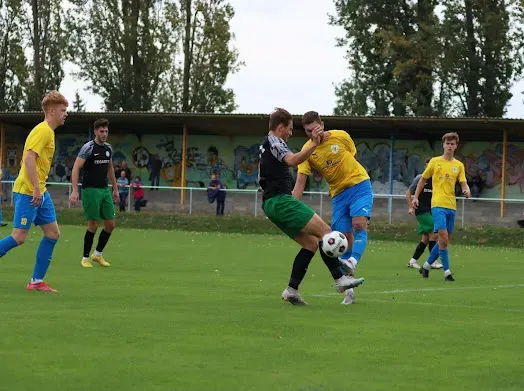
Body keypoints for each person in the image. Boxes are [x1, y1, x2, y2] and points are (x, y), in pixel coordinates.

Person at [259, 108, 364, 306]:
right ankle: (340, 280)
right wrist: (314, 145)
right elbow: (292, 160)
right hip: (281, 201)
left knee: (311, 244)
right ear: (280, 127)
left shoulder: (266, 144)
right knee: (326, 232)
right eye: (289, 129)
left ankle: (291, 290)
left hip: (271, 204)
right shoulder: (275, 142)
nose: (291, 133)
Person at [292, 111, 373, 305]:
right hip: (338, 195)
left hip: (359, 185)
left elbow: (352, 157)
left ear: (322, 124)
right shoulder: (307, 151)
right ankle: (349, 290)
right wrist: (289, 207)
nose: (313, 133)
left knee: (359, 224)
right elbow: (301, 182)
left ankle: (352, 262)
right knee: (342, 238)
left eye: (315, 128)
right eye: (308, 131)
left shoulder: (341, 136)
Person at [0, 90, 68, 292]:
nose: (66, 114)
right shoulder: (43, 131)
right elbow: (28, 159)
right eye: (63, 110)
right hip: (29, 191)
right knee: (19, 237)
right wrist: (36, 188)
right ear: (52, 111)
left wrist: (40, 189)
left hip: (40, 191)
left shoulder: (50, 132)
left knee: (53, 233)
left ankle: (36, 281)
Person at [412, 132, 471, 281]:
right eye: (447, 143)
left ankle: (425, 267)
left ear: (456, 146)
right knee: (443, 237)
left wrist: (466, 190)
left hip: (452, 205)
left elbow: (463, 182)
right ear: (443, 145)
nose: (450, 146)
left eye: (452, 144)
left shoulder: (459, 165)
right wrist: (415, 197)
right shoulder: (434, 162)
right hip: (437, 204)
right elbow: (423, 180)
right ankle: (447, 272)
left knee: (444, 240)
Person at [69, 118, 119, 268]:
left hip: (104, 190)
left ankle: (97, 255)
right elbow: (76, 168)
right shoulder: (88, 148)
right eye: (101, 131)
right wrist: (75, 190)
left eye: (106, 131)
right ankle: (85, 258)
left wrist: (115, 188)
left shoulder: (108, 148)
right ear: (96, 131)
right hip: (90, 190)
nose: (104, 134)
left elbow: (110, 168)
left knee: (110, 224)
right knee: (93, 225)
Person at [405, 157, 442, 270]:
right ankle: (433, 261)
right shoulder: (420, 178)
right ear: (425, 166)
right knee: (434, 232)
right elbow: (408, 192)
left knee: (426, 239)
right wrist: (411, 206)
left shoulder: (436, 179)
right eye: (428, 164)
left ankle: (412, 261)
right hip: (421, 210)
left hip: (431, 210)